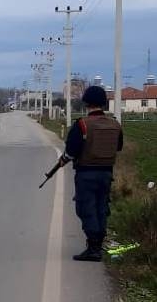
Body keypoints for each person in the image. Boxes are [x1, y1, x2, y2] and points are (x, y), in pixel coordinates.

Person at [59, 86, 123, 262]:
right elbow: (118, 147)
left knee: (86, 209)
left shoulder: (81, 124)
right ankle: (98, 242)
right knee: (101, 208)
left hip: (86, 173)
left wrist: (63, 160)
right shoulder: (115, 124)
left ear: (86, 103)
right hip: (106, 174)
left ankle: (93, 248)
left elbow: (71, 151)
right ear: (104, 103)